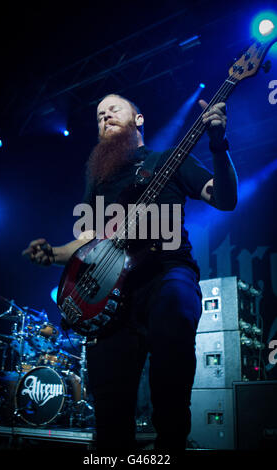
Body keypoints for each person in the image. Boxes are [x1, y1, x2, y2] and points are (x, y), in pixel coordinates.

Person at [22, 93, 237, 453]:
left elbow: (225, 199)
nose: (105, 116)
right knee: (109, 406)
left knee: (175, 303)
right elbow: (88, 241)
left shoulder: (169, 159)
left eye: (113, 109)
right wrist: (53, 254)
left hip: (167, 271)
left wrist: (218, 144)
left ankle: (170, 446)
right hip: (112, 294)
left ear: (138, 119)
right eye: (99, 114)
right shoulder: (100, 183)